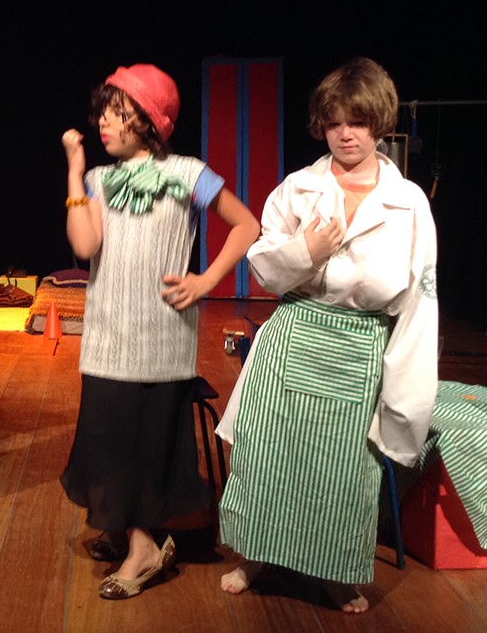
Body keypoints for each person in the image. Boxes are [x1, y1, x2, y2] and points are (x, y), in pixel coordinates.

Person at [215, 57, 438, 612]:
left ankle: (335, 571)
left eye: (357, 122)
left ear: (378, 123)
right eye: (335, 122)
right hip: (295, 334)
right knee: (268, 456)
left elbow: (418, 303)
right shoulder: (299, 188)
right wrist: (306, 252)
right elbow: (264, 269)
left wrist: (406, 401)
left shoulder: (409, 203)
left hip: (359, 345)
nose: (346, 134)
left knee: (345, 470)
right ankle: (254, 555)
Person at [60, 63, 261, 600]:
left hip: (160, 337)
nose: (103, 123)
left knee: (145, 441)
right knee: (106, 436)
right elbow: (84, 246)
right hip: (108, 335)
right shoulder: (98, 180)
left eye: (116, 113)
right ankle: (127, 530)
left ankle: (145, 546)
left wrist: (207, 280)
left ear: (148, 120)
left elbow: (247, 225)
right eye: (102, 113)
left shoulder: (188, 173)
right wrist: (76, 169)